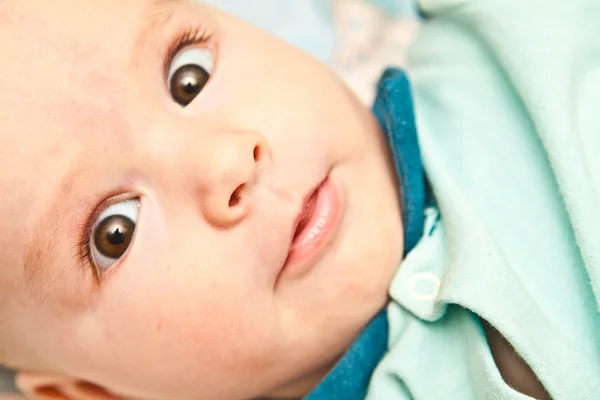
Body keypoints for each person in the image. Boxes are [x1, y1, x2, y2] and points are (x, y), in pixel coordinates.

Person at [1, 0, 598, 399]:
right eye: (115, 231)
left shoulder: (503, 35)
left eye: (189, 77)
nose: (227, 160)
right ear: (90, 394)